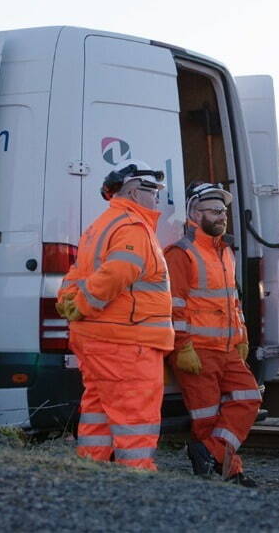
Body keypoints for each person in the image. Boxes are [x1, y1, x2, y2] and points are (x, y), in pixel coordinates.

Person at [56, 160, 174, 471]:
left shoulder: (100, 226)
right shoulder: (132, 226)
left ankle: (92, 472)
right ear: (135, 193)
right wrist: (84, 303)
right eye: (153, 192)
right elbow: (119, 271)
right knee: (135, 414)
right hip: (127, 340)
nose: (157, 199)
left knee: (98, 410)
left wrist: (70, 301)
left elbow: (75, 274)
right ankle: (135, 479)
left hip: (96, 339)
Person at [164, 181, 262, 487]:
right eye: (214, 210)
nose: (222, 216)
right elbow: (173, 305)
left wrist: (243, 335)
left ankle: (207, 452)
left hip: (228, 347)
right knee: (206, 417)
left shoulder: (225, 252)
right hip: (197, 349)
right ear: (195, 212)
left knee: (249, 397)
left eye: (224, 211)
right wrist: (183, 347)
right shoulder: (181, 253)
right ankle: (228, 471)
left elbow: (232, 299)